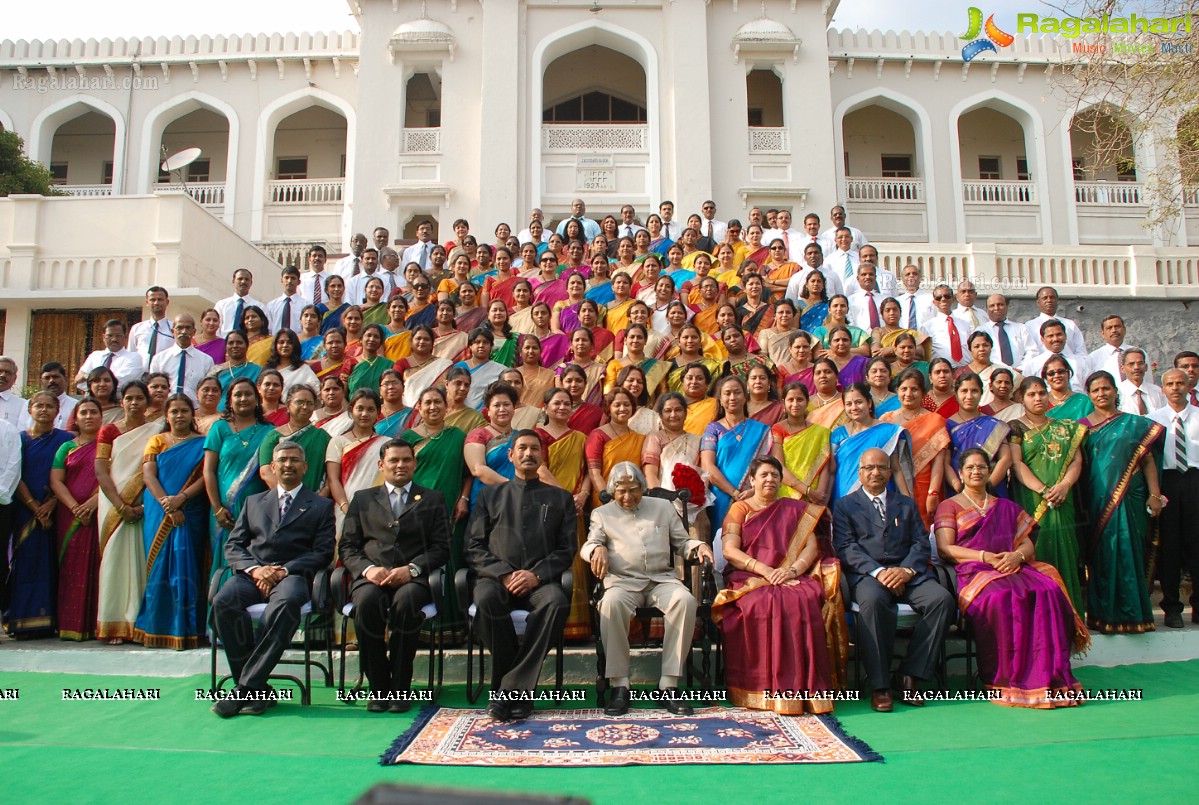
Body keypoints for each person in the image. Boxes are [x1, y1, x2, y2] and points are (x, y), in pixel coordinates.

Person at [934, 448, 1089, 708]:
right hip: (974, 571)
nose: (976, 472)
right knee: (1001, 597)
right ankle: (1006, 678)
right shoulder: (948, 506)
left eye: (981, 467)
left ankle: (1048, 676)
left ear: (989, 471)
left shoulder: (1005, 506)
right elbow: (945, 548)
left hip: (1012, 566)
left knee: (1046, 591)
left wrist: (1017, 556)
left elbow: (1027, 545)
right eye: (970, 468)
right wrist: (985, 557)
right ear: (960, 473)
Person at [211, 441, 335, 717]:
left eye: (294, 460)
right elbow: (234, 546)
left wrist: (282, 570)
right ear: (273, 467)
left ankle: (244, 689)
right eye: (283, 460)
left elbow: (323, 552)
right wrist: (256, 570)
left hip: (291, 576)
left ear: (305, 467)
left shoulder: (321, 505)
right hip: (252, 574)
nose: (288, 464)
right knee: (223, 602)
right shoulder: (254, 502)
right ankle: (257, 690)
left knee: (286, 605)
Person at [714, 456, 844, 713]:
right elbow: (730, 550)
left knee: (804, 597)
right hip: (749, 575)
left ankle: (805, 691)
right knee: (760, 603)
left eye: (775, 475)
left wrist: (792, 570)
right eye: (764, 475)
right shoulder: (740, 509)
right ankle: (759, 686)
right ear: (752, 479)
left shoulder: (794, 508)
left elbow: (811, 547)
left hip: (789, 573)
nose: (770, 480)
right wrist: (764, 570)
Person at [583, 462, 713, 715]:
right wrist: (596, 549)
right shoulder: (602, 514)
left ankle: (668, 684)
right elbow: (589, 544)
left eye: (633, 489)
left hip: (661, 580)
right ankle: (620, 684)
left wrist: (698, 547)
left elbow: (682, 542)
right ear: (612, 490)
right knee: (610, 603)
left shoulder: (663, 507)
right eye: (621, 491)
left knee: (684, 601)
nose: (628, 496)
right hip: (622, 581)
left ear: (642, 487)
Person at [466, 431, 576, 721]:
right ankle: (520, 693)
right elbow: (474, 545)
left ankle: (507, 691)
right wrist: (503, 574)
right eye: (522, 448)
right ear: (511, 455)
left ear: (542, 456)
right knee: (486, 600)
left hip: (540, 582)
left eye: (534, 449)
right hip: (496, 580)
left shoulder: (560, 498)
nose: (528, 453)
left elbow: (566, 550)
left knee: (556, 603)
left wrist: (536, 575)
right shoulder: (491, 495)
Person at [834, 448, 955, 712]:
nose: (875, 472)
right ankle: (880, 686)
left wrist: (906, 571)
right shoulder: (845, 506)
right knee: (874, 604)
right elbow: (845, 547)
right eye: (869, 468)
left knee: (942, 600)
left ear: (890, 472)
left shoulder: (906, 504)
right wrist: (879, 572)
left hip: (909, 574)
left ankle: (910, 674)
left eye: (881, 467)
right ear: (860, 472)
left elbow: (921, 542)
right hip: (869, 576)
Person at [339, 439, 450, 711]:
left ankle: (400, 687)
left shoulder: (433, 499)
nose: (400, 465)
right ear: (381, 465)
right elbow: (348, 546)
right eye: (394, 460)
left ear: (414, 463)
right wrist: (368, 569)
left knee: (406, 603)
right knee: (367, 604)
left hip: (413, 579)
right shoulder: (363, 499)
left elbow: (441, 548)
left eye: (406, 460)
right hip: (371, 578)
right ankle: (379, 688)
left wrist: (411, 569)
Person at [1079, 371, 1164, 634]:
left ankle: (1135, 615)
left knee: (1130, 553)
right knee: (1103, 556)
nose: (1101, 394)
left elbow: (1147, 460)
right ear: (1089, 395)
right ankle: (1103, 616)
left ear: (1116, 391)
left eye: (1106, 389)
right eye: (1095, 390)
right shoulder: (1080, 427)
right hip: (1096, 499)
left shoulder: (1135, 424)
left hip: (1131, 499)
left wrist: (1154, 494)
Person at [134, 394, 208, 649]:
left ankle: (188, 629)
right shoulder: (157, 441)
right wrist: (167, 503)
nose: (179, 416)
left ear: (192, 414)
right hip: (158, 508)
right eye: (174, 411)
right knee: (159, 566)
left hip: (192, 510)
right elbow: (148, 475)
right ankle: (156, 627)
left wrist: (182, 498)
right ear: (166, 415)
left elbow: (205, 477)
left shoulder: (203, 443)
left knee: (189, 565)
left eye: (184, 411)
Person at [1009, 377, 1087, 614]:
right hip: (1031, 499)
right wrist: (1043, 490)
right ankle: (1041, 614)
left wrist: (1064, 486)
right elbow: (1017, 463)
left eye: (1042, 393)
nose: (1038, 398)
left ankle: (1069, 613)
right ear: (1022, 398)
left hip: (1063, 499)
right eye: (1031, 394)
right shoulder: (1016, 427)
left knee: (1066, 551)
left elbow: (1076, 460)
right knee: (1037, 549)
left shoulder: (1066, 427)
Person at [94, 381, 156, 644]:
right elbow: (100, 470)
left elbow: (155, 468)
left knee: (141, 561)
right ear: (121, 402)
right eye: (129, 398)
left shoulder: (156, 430)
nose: (133, 403)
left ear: (147, 401)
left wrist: (141, 505)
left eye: (139, 398)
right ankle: (114, 624)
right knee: (114, 561)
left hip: (145, 503)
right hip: (113, 504)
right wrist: (121, 505)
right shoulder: (109, 431)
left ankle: (138, 623)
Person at [203, 378, 274, 577]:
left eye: (248, 394)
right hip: (223, 510)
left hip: (256, 508)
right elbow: (208, 470)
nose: (243, 398)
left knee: (253, 557)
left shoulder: (268, 431)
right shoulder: (220, 428)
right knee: (223, 559)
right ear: (229, 400)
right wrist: (217, 508)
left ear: (257, 399)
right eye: (238, 394)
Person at [49, 398, 104, 640]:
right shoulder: (66, 447)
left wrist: (93, 504)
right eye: (84, 412)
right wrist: (75, 507)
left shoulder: (109, 446)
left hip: (100, 512)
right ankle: (68, 624)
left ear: (102, 417)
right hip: (69, 515)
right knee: (70, 567)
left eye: (94, 412)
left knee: (96, 566)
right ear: (76, 417)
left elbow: (117, 478)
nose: (89, 416)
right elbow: (56, 480)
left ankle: (94, 624)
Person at [1149, 369, 1199, 628]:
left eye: (1180, 383)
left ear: (1189, 385)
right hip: (1167, 482)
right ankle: (1171, 608)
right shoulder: (1153, 421)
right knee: (1169, 547)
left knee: (1197, 545)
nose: (1176, 387)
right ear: (1163, 388)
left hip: (1195, 481)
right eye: (1170, 383)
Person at [701, 376, 774, 533]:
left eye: (737, 392)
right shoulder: (713, 429)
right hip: (721, 497)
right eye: (727, 393)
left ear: (745, 397)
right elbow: (707, 466)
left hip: (754, 496)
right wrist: (734, 493)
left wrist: (753, 491)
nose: (732, 397)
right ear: (720, 399)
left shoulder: (761, 430)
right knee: (722, 542)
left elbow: (768, 467)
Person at [881, 369, 950, 527]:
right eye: (904, 389)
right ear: (897, 390)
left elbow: (939, 463)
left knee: (923, 528)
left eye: (914, 389)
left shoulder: (935, 421)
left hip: (925, 485)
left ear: (924, 393)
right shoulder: (886, 420)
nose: (908, 393)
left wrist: (933, 492)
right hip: (893, 483)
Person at [943, 373, 1012, 497]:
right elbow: (945, 462)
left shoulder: (994, 425)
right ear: (956, 394)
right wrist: (958, 487)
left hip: (992, 491)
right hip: (959, 492)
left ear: (981, 393)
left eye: (974, 391)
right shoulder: (947, 426)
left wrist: (988, 486)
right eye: (964, 391)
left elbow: (1006, 459)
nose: (969, 396)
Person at [258, 385, 331, 496]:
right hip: (281, 501)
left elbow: (331, 474)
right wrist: (289, 496)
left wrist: (318, 499)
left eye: (309, 403)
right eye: (300, 402)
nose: (305, 407)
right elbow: (265, 472)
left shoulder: (323, 437)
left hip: (315, 503)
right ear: (288, 405)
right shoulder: (273, 436)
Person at [149, 313, 216, 402]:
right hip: (166, 410)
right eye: (179, 328)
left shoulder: (207, 361)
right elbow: (153, 389)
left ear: (194, 331)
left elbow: (209, 389)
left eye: (188, 328)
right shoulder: (159, 359)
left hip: (195, 410)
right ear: (173, 331)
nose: (184, 332)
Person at [74, 319, 145, 392]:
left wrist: (89, 378)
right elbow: (79, 382)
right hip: (92, 401)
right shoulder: (94, 356)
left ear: (125, 337)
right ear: (103, 337)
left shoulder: (134, 358)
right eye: (110, 336)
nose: (114, 339)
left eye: (118, 336)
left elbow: (120, 383)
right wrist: (86, 377)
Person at [129, 286, 174, 366]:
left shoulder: (174, 329)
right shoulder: (137, 328)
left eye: (160, 299)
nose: (156, 303)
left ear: (167, 302)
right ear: (147, 302)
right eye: (152, 300)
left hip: (164, 375)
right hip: (140, 375)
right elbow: (130, 355)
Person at [215, 269, 266, 338]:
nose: (243, 281)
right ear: (233, 281)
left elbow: (264, 329)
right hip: (223, 344)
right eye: (240, 279)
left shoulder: (260, 307)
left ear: (251, 283)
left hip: (250, 345)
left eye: (247, 279)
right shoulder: (221, 305)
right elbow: (216, 328)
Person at [1116, 348, 1166, 416]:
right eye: (1131, 364)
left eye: (1140, 363)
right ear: (1123, 369)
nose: (1136, 367)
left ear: (1146, 367)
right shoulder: (1117, 393)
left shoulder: (1157, 392)